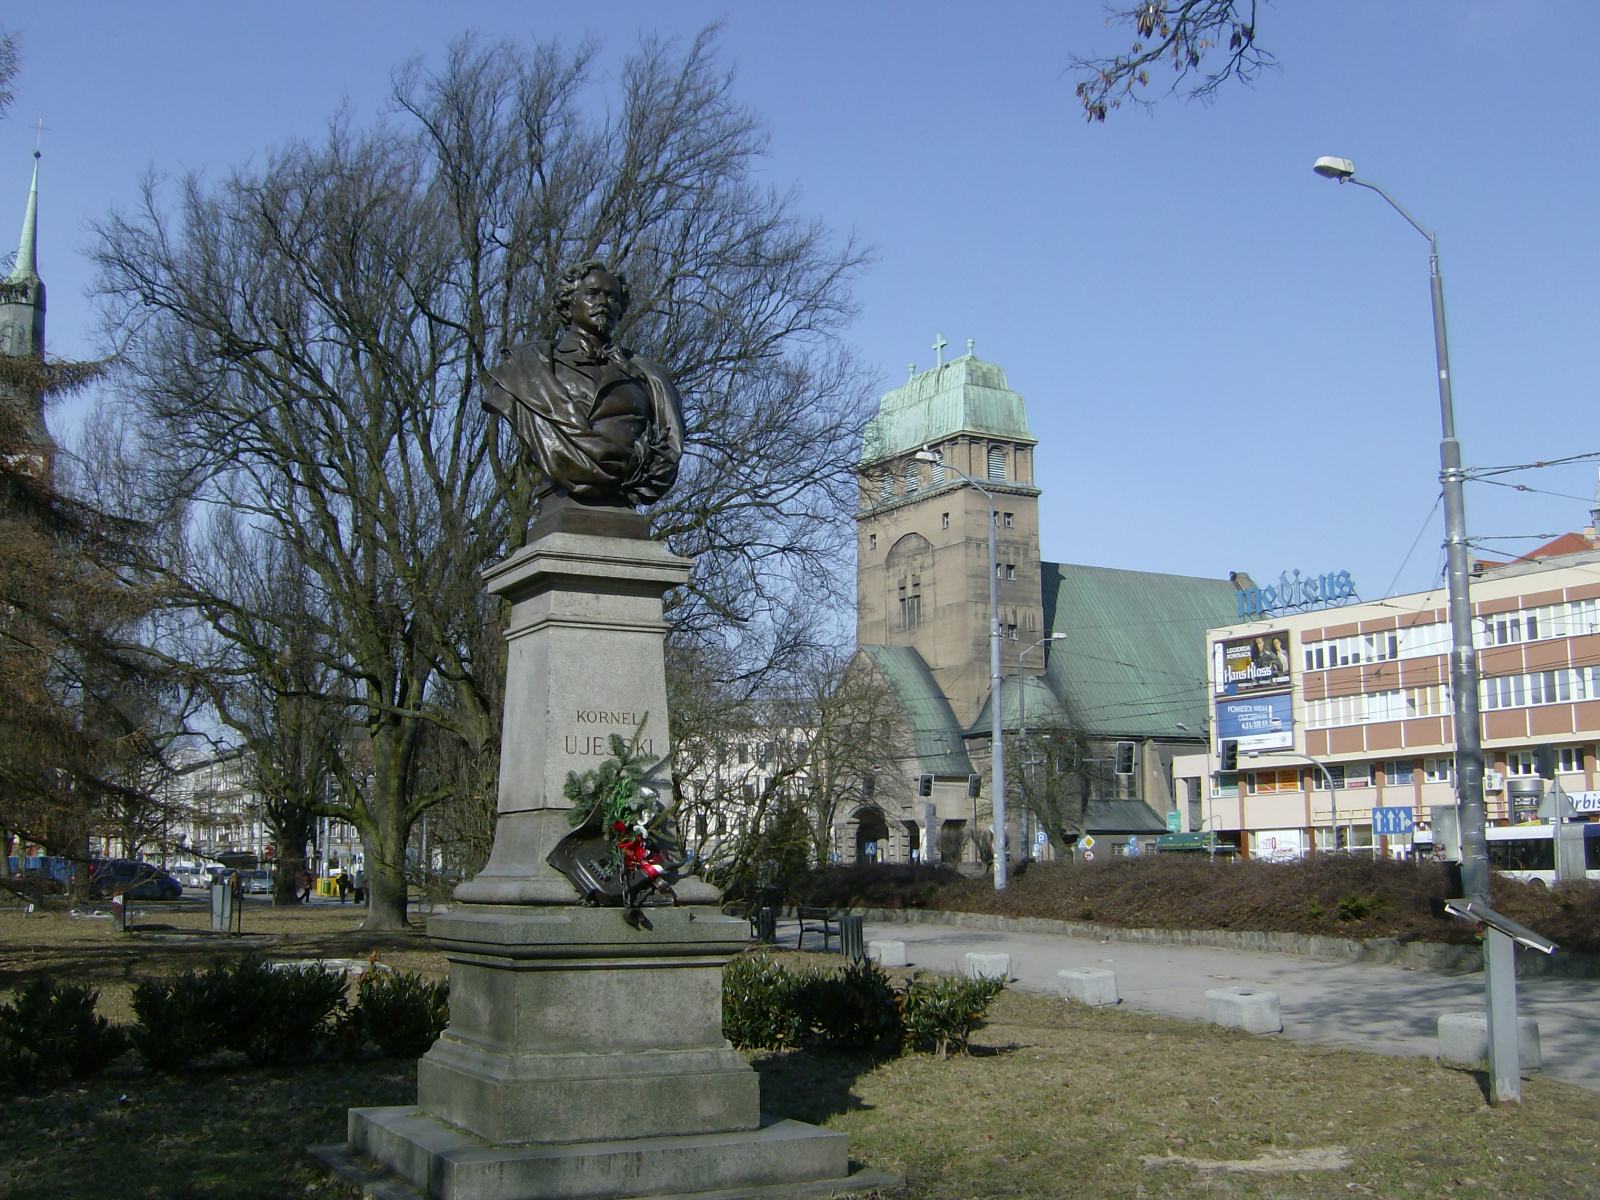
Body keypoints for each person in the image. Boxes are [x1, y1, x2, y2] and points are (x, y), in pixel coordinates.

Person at [482, 260, 686, 510]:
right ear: (568, 304)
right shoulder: (528, 368)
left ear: (621, 308)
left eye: (611, 297)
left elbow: (669, 443)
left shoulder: (650, 376)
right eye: (592, 293)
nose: (603, 302)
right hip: (563, 491)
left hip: (626, 499)